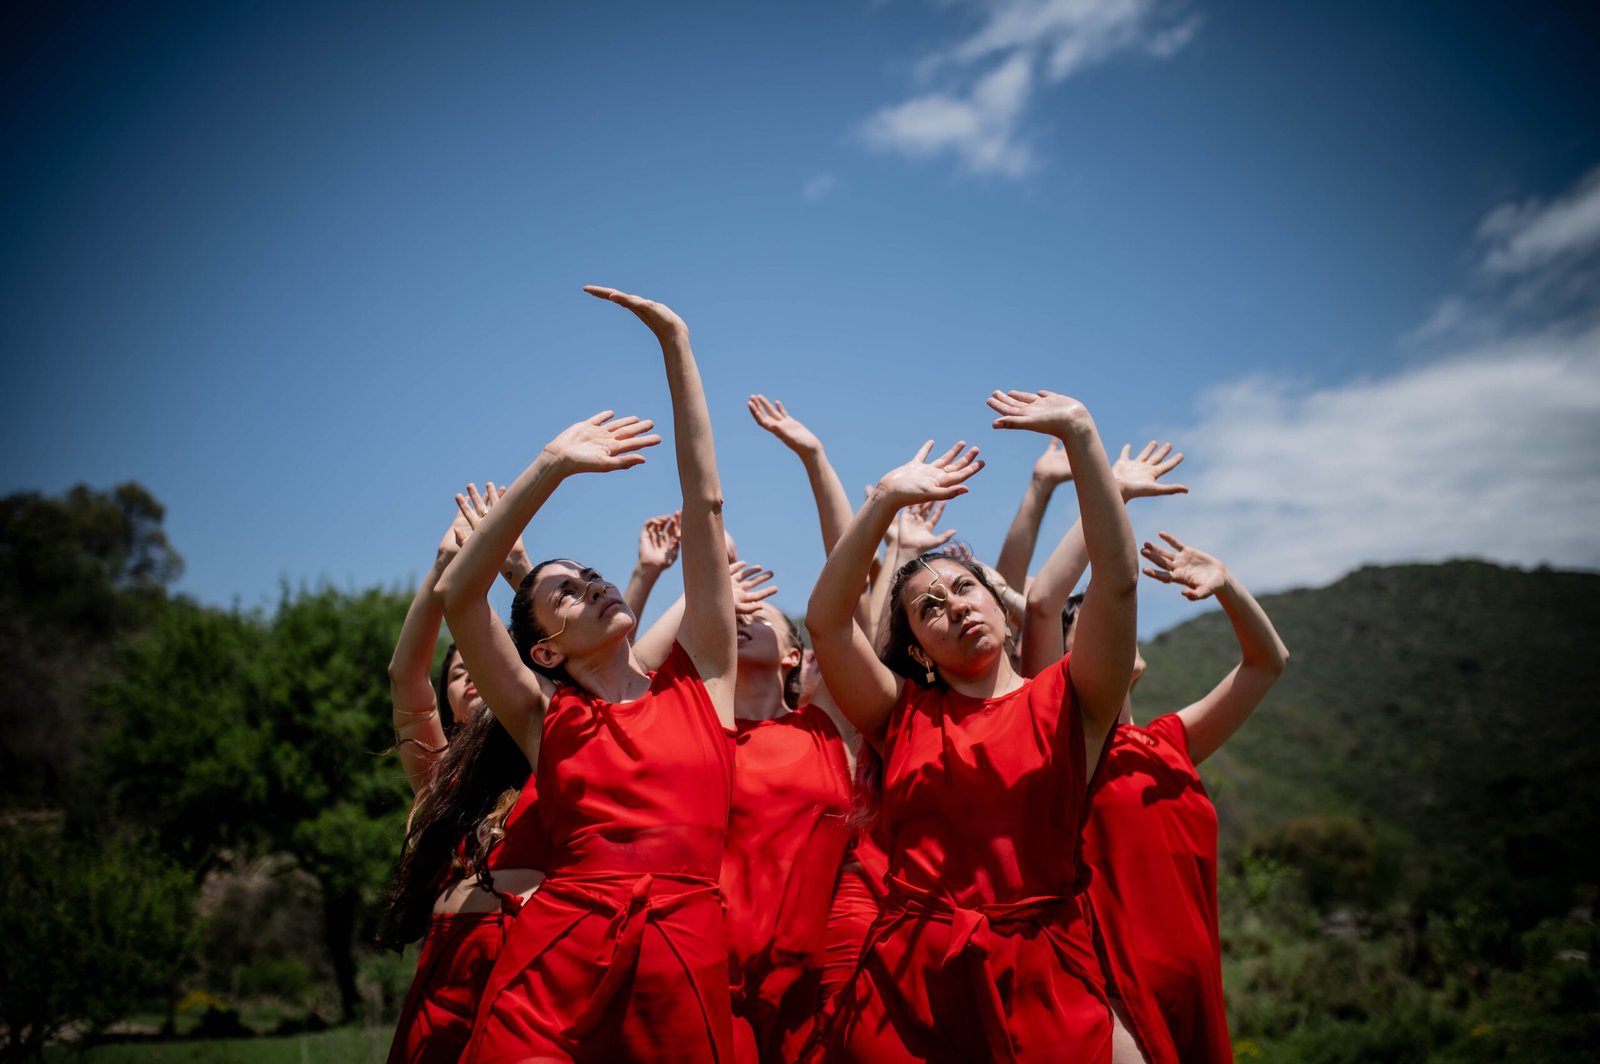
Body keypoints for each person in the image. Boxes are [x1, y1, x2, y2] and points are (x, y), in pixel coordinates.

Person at [439, 286, 738, 1062]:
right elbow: (459, 594)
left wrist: (677, 343)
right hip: (556, 969)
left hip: (684, 960)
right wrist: (552, 466)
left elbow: (704, 503)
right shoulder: (543, 717)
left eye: (593, 575)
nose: (595, 586)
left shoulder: (704, 679)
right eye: (565, 593)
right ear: (545, 652)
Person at [805, 388, 1143, 1063]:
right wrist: (884, 501)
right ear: (919, 651)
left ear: (999, 606)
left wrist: (1081, 435)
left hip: (1042, 971)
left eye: (964, 588)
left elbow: (1118, 582)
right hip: (909, 986)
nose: (954, 607)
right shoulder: (900, 713)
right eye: (928, 608)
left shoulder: (1073, 699)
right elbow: (827, 623)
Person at [1071, 533, 1288, 1064]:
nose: (1119, 624)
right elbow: (1039, 606)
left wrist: (1227, 585)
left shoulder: (1168, 739)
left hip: (1198, 993)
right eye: (1095, 619)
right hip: (1119, 997)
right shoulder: (1067, 758)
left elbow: (1267, 662)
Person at [381, 494, 545, 1064]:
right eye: (458, 671)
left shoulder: (555, 746)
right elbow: (405, 677)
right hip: (446, 981)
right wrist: (443, 566)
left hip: (535, 968)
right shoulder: (442, 775)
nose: (473, 675)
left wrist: (520, 572)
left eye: (484, 665)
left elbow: (568, 670)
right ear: (448, 699)